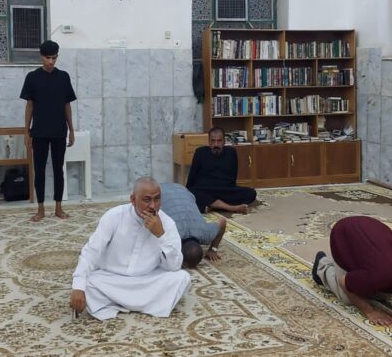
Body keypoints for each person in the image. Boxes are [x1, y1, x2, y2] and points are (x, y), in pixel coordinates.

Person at [69, 177, 190, 320]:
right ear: (133, 200)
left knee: (182, 278)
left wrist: (161, 235)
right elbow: (91, 252)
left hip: (146, 281)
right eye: (147, 200)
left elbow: (174, 267)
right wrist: (78, 287)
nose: (153, 206)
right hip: (112, 280)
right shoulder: (114, 216)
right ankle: (143, 305)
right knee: (87, 282)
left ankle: (117, 303)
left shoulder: (167, 223)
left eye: (157, 199)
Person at [312, 216, 392, 326]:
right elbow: (343, 281)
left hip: (373, 225)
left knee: (377, 292)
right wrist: (370, 312)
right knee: (347, 297)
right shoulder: (378, 278)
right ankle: (322, 267)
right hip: (345, 232)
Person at [20, 40, 77, 222]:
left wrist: (71, 130)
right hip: (39, 132)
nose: (51, 62)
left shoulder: (63, 77)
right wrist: (26, 132)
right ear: (41, 57)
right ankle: (41, 209)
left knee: (58, 170)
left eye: (54, 58)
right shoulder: (32, 77)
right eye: (47, 58)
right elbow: (29, 106)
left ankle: (59, 207)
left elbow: (67, 105)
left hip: (59, 131)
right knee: (39, 170)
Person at [185, 127, 257, 213]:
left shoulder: (231, 152)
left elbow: (233, 175)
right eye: (213, 141)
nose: (216, 144)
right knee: (192, 193)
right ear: (209, 142)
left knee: (251, 193)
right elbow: (192, 176)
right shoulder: (200, 152)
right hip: (206, 189)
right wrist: (188, 192)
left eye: (219, 141)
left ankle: (212, 206)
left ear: (224, 141)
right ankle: (230, 208)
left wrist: (231, 189)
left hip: (225, 190)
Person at [159, 182, 227, 268]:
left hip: (181, 189)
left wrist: (213, 249)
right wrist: (213, 249)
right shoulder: (170, 236)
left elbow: (222, 222)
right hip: (160, 192)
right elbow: (223, 222)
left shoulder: (206, 234)